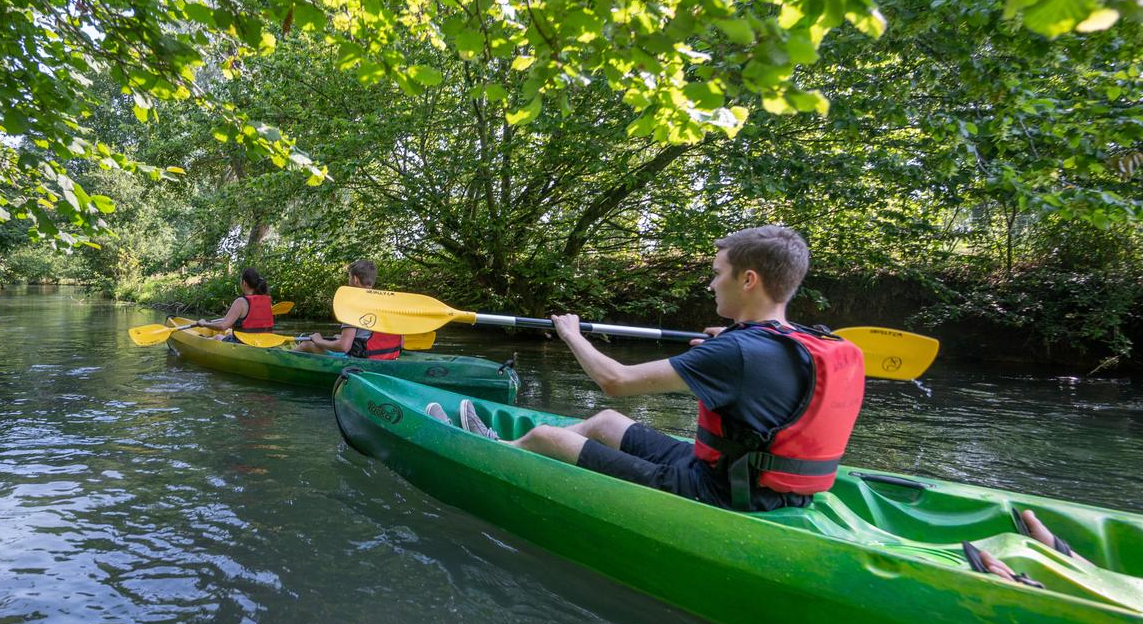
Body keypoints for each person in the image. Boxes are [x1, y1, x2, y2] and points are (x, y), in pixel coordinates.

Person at [429, 225, 864, 512]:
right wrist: (730, 341)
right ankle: (508, 443)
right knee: (605, 422)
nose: (711, 284)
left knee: (549, 436)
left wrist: (570, 333)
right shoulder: (803, 341)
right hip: (748, 478)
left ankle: (487, 452)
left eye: (718, 273)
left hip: (721, 492)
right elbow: (761, 376)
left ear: (748, 280)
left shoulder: (737, 351)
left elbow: (614, 381)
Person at [296, 259, 403, 360]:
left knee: (306, 344)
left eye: (349, 277)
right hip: (388, 358)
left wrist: (318, 340)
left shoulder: (353, 305)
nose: (348, 281)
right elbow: (400, 343)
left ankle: (285, 361)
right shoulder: (389, 305)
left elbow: (344, 347)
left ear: (355, 279)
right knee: (336, 338)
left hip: (360, 361)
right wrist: (348, 339)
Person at [188, 269, 275, 340]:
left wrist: (204, 324)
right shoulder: (268, 300)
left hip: (245, 343)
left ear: (244, 283)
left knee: (218, 337)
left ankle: (203, 339)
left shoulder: (241, 302)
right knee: (229, 333)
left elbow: (222, 326)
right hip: (264, 341)